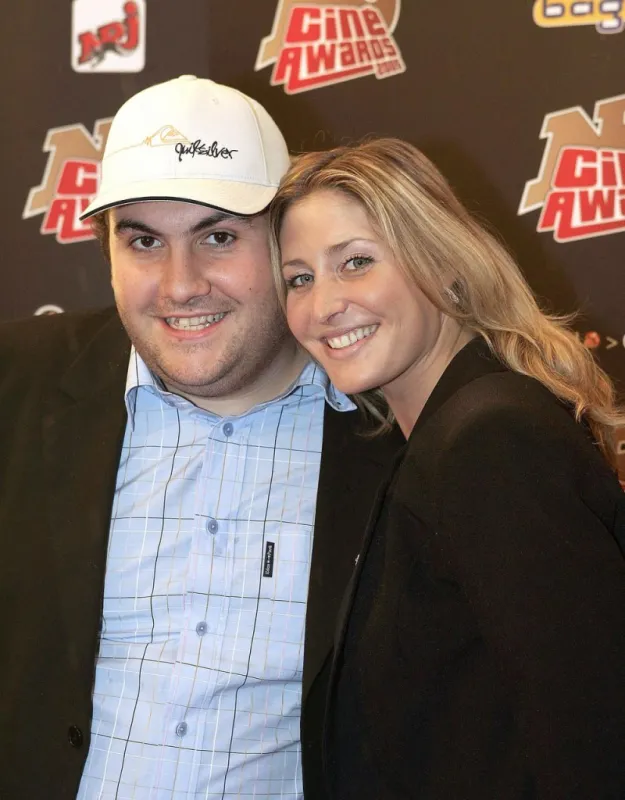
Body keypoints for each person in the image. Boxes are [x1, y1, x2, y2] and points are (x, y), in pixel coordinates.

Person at [0, 78, 400, 799]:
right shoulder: (16, 387)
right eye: (144, 241)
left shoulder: (393, 426)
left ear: (285, 241)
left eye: (218, 236)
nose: (180, 285)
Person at [270, 137, 625, 799]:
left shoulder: (489, 440)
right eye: (299, 278)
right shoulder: (430, 440)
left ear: (444, 266)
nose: (322, 306)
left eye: (355, 262)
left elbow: (595, 736)